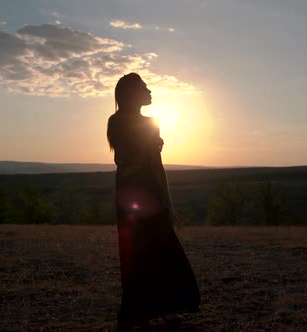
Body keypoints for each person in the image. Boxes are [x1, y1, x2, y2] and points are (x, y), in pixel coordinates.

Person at [106, 73, 200, 330]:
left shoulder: (134, 122)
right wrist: (167, 201)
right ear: (130, 93)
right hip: (137, 194)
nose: (149, 91)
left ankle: (157, 311)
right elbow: (140, 165)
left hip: (137, 193)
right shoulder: (127, 122)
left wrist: (167, 202)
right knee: (146, 251)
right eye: (143, 87)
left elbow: (143, 165)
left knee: (152, 251)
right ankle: (148, 313)